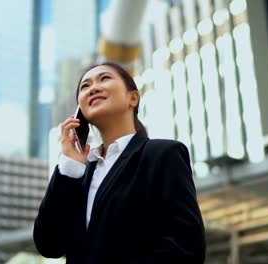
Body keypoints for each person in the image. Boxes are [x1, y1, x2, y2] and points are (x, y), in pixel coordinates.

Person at [33, 62, 206, 263]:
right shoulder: (78, 174)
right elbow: (48, 244)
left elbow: (187, 247)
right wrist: (70, 165)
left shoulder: (163, 154)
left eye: (104, 78)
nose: (93, 88)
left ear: (133, 97)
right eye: (85, 86)